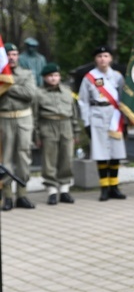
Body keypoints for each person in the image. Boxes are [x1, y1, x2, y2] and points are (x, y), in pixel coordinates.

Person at [78, 46, 127, 201]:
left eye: (106, 55)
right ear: (95, 59)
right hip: (97, 116)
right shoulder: (89, 77)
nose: (102, 59)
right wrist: (86, 123)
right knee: (101, 154)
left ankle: (114, 187)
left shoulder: (118, 77)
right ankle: (104, 188)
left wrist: (126, 120)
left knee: (115, 154)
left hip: (115, 117)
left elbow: (124, 98)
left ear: (110, 58)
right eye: (99, 56)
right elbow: (83, 101)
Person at [34, 63, 79, 205]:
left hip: (66, 126)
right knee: (49, 160)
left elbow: (74, 113)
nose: (53, 79)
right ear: (44, 78)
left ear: (59, 77)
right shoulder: (38, 93)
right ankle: (52, 191)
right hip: (48, 125)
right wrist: (36, 135)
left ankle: (65, 189)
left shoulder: (67, 91)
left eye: (56, 75)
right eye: (50, 76)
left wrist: (76, 132)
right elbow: (35, 116)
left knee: (66, 157)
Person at [0, 42, 36, 210]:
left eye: (14, 54)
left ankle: (22, 194)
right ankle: (7, 196)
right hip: (4, 119)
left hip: (24, 118)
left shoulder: (27, 74)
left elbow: (30, 94)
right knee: (5, 158)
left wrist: (8, 85)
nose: (11, 57)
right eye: (8, 54)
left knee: (24, 157)